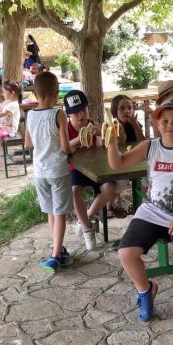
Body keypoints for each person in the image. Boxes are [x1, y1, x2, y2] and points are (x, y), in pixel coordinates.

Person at [107, 96, 173, 329]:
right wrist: (111, 142)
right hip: (152, 211)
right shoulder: (149, 146)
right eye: (164, 121)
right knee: (126, 253)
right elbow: (117, 164)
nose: (170, 125)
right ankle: (145, 291)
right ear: (156, 124)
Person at [25, 71, 74, 271]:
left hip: (40, 172)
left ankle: (58, 250)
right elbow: (65, 147)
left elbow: (29, 143)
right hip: (58, 171)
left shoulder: (30, 114)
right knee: (60, 213)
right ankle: (55, 256)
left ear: (36, 94)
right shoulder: (58, 114)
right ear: (56, 94)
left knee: (51, 213)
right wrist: (73, 147)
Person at [64, 90, 118, 250]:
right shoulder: (65, 129)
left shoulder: (93, 125)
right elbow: (64, 149)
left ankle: (85, 218)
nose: (81, 115)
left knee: (110, 188)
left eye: (83, 110)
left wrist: (102, 134)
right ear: (68, 115)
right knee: (75, 191)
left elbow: (102, 149)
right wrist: (79, 139)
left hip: (94, 168)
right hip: (75, 168)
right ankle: (88, 229)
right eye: (75, 113)